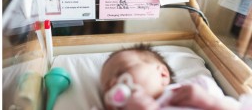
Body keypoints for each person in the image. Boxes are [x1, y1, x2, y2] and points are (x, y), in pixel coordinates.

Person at [100, 44, 239, 109]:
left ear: (162, 74)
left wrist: (210, 102)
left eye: (122, 71)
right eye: (107, 85)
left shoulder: (197, 87)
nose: (114, 83)